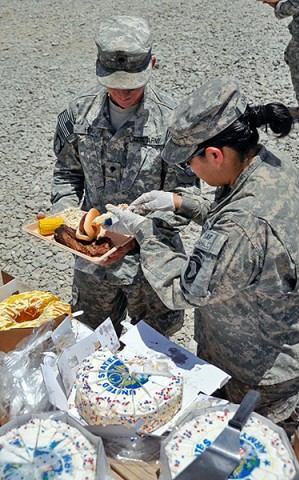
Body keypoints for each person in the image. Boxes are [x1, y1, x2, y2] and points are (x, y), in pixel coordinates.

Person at [102, 78, 299, 440]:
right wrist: (179, 203)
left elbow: (183, 289)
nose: (192, 173)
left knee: (250, 450)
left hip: (255, 369)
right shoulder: (269, 166)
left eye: (190, 163)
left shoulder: (245, 224)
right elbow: (232, 215)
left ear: (215, 154)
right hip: (273, 343)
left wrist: (145, 232)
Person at [48, 16, 197, 337]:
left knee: (156, 352)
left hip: (152, 262)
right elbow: (66, 173)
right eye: (113, 82)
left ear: (152, 64)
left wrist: (135, 235)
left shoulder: (174, 121)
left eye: (132, 83)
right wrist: (68, 218)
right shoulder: (78, 113)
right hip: (93, 261)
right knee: (90, 337)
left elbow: (185, 199)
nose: (123, 92)